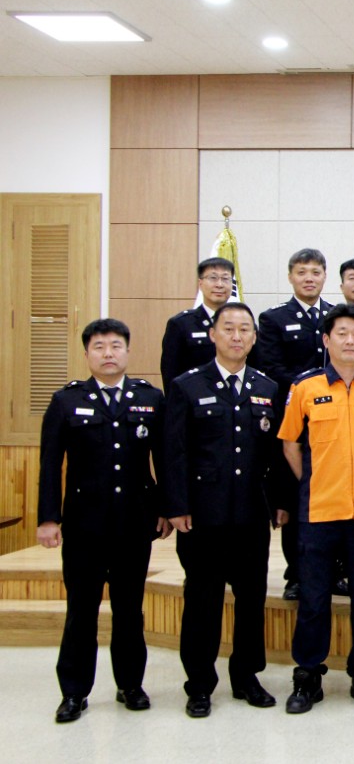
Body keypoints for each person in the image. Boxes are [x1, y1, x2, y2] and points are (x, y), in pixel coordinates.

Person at [37, 318, 169, 724]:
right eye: (99, 347)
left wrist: (166, 508)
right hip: (84, 525)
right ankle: (74, 691)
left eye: (115, 346)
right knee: (82, 610)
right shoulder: (66, 401)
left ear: (128, 351)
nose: (108, 353)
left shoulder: (150, 398)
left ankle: (130, 685)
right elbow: (49, 464)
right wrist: (48, 518)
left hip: (134, 523)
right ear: (87, 354)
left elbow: (164, 459)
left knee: (130, 609)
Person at [277, 304, 354, 714]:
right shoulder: (305, 387)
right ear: (327, 340)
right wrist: (316, 482)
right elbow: (290, 445)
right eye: (342, 333)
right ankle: (307, 675)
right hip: (319, 512)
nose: (350, 340)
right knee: (314, 598)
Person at [163, 302, 284, 717]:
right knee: (203, 600)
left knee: (252, 599)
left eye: (244, 329)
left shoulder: (267, 387)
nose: (236, 336)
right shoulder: (187, 385)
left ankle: (246, 676)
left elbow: (274, 455)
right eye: (228, 328)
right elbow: (174, 452)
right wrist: (176, 505)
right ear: (213, 335)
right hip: (202, 515)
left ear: (254, 338)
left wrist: (279, 503)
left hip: (251, 514)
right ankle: (199, 684)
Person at [255, 248, 333, 601]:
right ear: (290, 277)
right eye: (302, 272)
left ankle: (334, 571)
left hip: (334, 420)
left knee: (333, 495)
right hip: (295, 421)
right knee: (297, 497)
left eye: (315, 272)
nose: (309, 278)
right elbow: (271, 368)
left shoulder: (336, 316)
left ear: (324, 276)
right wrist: (311, 391)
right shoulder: (274, 318)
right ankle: (297, 574)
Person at [160, 256, 236, 391]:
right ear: (200, 283)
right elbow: (170, 373)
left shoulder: (243, 324)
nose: (219, 284)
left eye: (225, 279)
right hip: (195, 398)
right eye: (213, 278)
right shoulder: (181, 324)